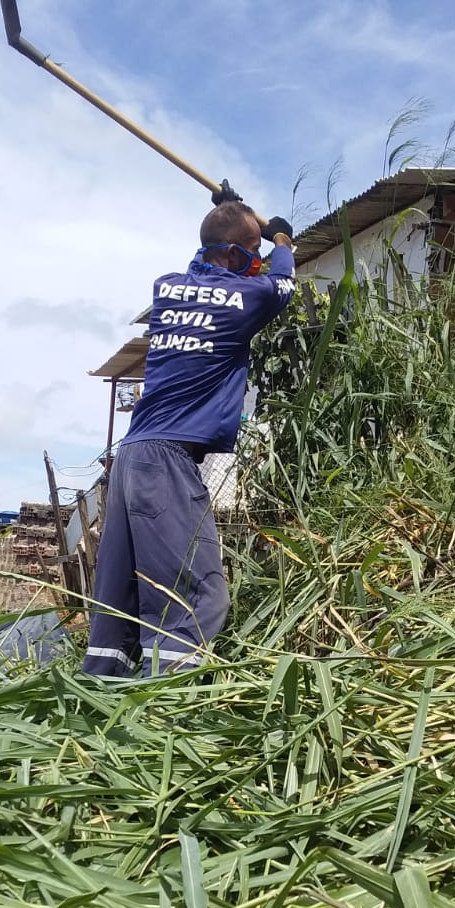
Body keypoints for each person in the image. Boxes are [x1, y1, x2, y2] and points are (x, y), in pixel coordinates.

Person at [83, 190, 295, 678]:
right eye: (251, 255)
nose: (256, 264)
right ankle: (167, 709)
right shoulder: (250, 296)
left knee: (119, 606)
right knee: (196, 596)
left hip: (130, 459)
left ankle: (97, 701)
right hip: (168, 463)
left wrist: (231, 211)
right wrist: (280, 237)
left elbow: (213, 259)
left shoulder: (169, 288)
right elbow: (282, 279)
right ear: (235, 254)